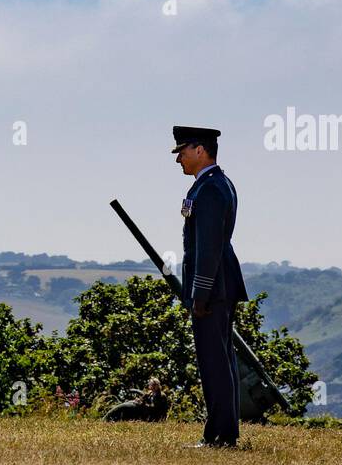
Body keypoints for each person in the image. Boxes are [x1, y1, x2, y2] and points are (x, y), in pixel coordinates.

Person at [175, 126, 247, 448]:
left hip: (213, 288)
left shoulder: (210, 190)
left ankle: (220, 435)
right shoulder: (215, 184)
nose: (179, 158)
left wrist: (199, 293)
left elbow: (208, 247)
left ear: (200, 150)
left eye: (182, 151)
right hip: (218, 285)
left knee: (214, 362)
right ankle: (224, 432)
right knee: (221, 359)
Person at [104, 378, 170, 422]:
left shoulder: (161, 396)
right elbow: (143, 398)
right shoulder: (150, 393)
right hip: (147, 412)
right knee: (128, 404)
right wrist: (139, 400)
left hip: (155, 418)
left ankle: (109, 419)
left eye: (151, 384)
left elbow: (155, 409)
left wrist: (143, 404)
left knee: (129, 408)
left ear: (155, 386)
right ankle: (107, 419)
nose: (149, 386)